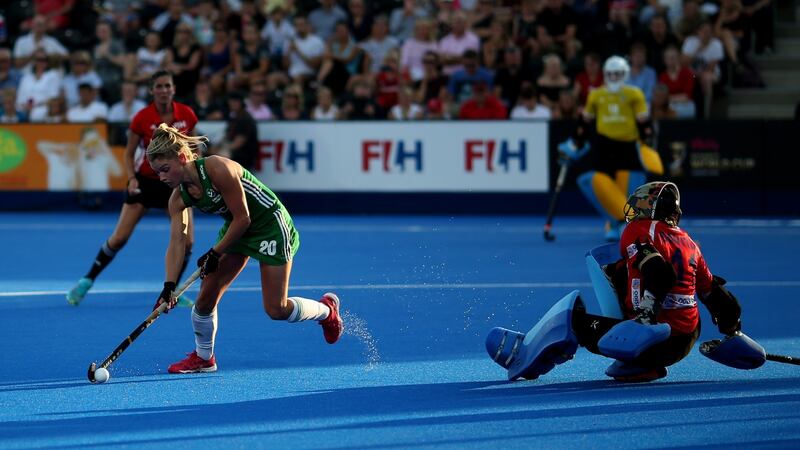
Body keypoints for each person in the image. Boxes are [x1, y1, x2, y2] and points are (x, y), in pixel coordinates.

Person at [486, 181, 744, 382]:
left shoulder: (638, 230)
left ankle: (524, 357)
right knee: (622, 270)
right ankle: (642, 367)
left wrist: (646, 315)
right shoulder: (689, 243)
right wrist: (732, 330)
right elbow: (715, 295)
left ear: (648, 208)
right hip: (684, 340)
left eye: (638, 207)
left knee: (573, 317)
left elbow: (661, 274)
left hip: (654, 339)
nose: (634, 213)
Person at [146, 123, 344, 373]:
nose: (162, 177)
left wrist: (215, 253)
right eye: (157, 173)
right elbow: (177, 242)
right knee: (205, 301)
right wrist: (169, 287)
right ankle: (204, 358)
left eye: (165, 169)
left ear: (183, 157)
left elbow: (244, 218)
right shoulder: (178, 198)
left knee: (276, 309)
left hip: (269, 224)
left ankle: (327, 311)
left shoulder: (217, 168)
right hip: (236, 230)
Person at [66, 70, 198, 306]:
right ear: (151, 91)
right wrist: (131, 178)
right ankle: (87, 281)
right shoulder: (142, 117)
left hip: (175, 184)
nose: (164, 90)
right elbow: (129, 153)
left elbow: (192, 150)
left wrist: (193, 178)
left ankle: (173, 289)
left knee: (187, 241)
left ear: (173, 89)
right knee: (119, 238)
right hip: (146, 182)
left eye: (167, 85)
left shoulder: (187, 115)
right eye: (159, 86)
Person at [560, 55, 658, 241]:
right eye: (610, 74)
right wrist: (574, 143)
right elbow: (584, 123)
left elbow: (644, 122)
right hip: (604, 148)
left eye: (618, 74)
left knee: (629, 191)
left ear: (625, 74)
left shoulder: (634, 94)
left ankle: (628, 225)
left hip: (628, 147)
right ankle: (614, 224)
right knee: (603, 190)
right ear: (605, 74)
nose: (614, 77)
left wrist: (646, 141)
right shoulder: (596, 95)